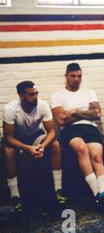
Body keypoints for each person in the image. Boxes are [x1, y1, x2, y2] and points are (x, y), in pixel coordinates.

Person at [51, 63, 104, 204]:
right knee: (82, 149)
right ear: (66, 76)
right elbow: (61, 120)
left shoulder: (89, 92)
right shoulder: (57, 95)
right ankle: (96, 193)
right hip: (70, 130)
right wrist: (86, 112)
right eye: (73, 76)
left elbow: (97, 114)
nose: (76, 79)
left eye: (79, 76)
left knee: (97, 157)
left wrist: (75, 111)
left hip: (90, 128)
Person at [2, 81, 66, 211]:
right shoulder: (10, 109)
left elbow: (52, 131)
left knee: (55, 144)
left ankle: (58, 189)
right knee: (8, 151)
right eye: (31, 95)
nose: (35, 97)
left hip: (35, 136)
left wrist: (42, 146)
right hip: (17, 138)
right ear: (21, 95)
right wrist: (28, 148)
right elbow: (9, 137)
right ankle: (15, 196)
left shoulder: (42, 105)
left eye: (36, 93)